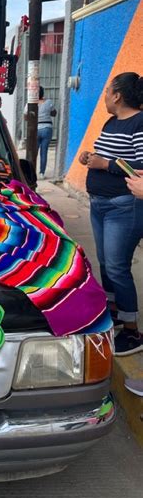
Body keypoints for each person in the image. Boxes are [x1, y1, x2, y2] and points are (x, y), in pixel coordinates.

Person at [78, 72, 143, 356]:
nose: (104, 96)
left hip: (123, 206)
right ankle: (114, 313)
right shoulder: (112, 122)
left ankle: (132, 331)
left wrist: (105, 165)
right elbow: (108, 156)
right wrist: (90, 159)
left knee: (117, 267)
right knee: (105, 263)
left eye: (107, 91)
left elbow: (139, 167)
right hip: (100, 204)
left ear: (117, 95)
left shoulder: (140, 123)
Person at [37, 86, 57, 179]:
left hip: (36, 129)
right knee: (44, 151)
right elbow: (54, 113)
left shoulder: (31, 102)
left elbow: (25, 115)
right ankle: (42, 173)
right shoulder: (48, 102)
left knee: (34, 152)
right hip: (47, 128)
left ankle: (31, 171)